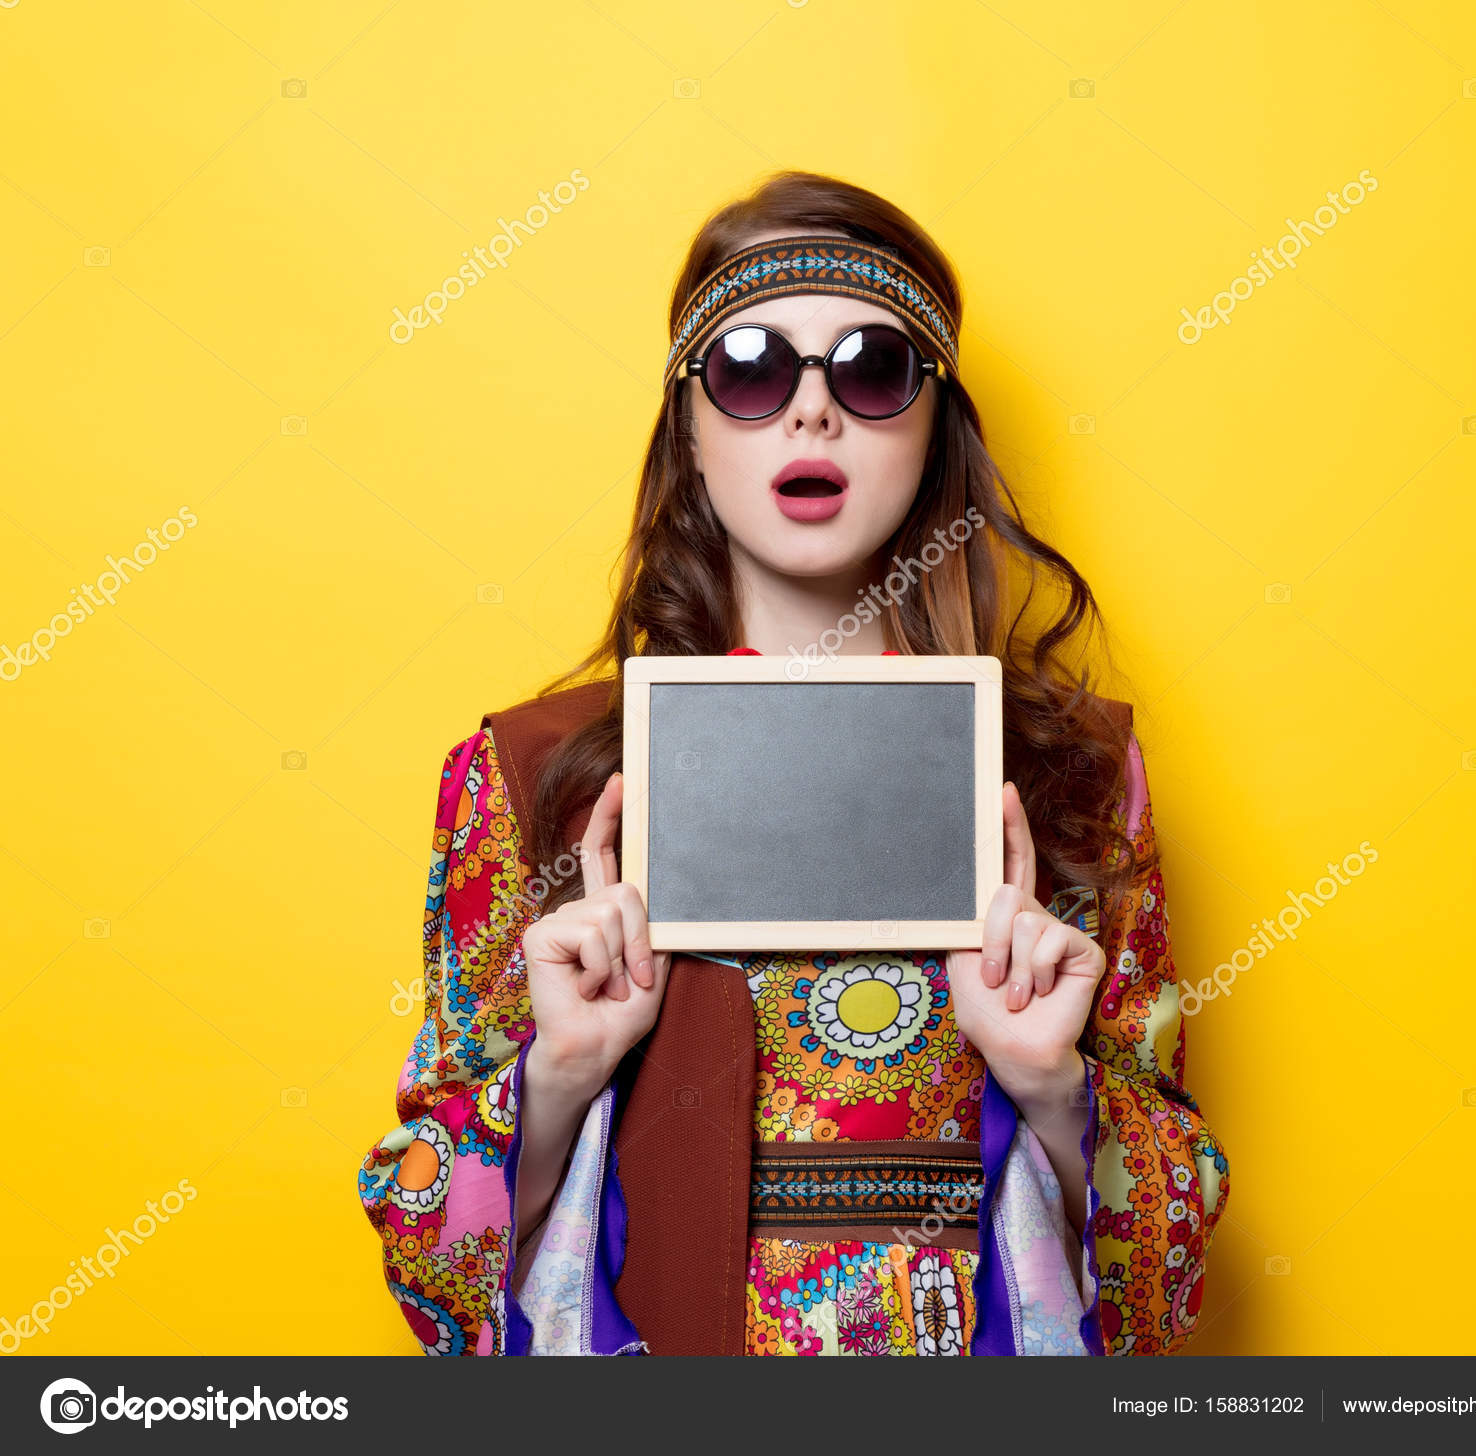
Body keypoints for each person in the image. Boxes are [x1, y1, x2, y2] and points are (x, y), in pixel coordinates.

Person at [356, 170, 1229, 1357]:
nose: (810, 413)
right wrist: (561, 1071)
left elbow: (1170, 1251)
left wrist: (1052, 1083)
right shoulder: (533, 775)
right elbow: (425, 1236)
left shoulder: (1069, 772)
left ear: (933, 427)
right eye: (753, 367)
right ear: (692, 427)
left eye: (871, 370)